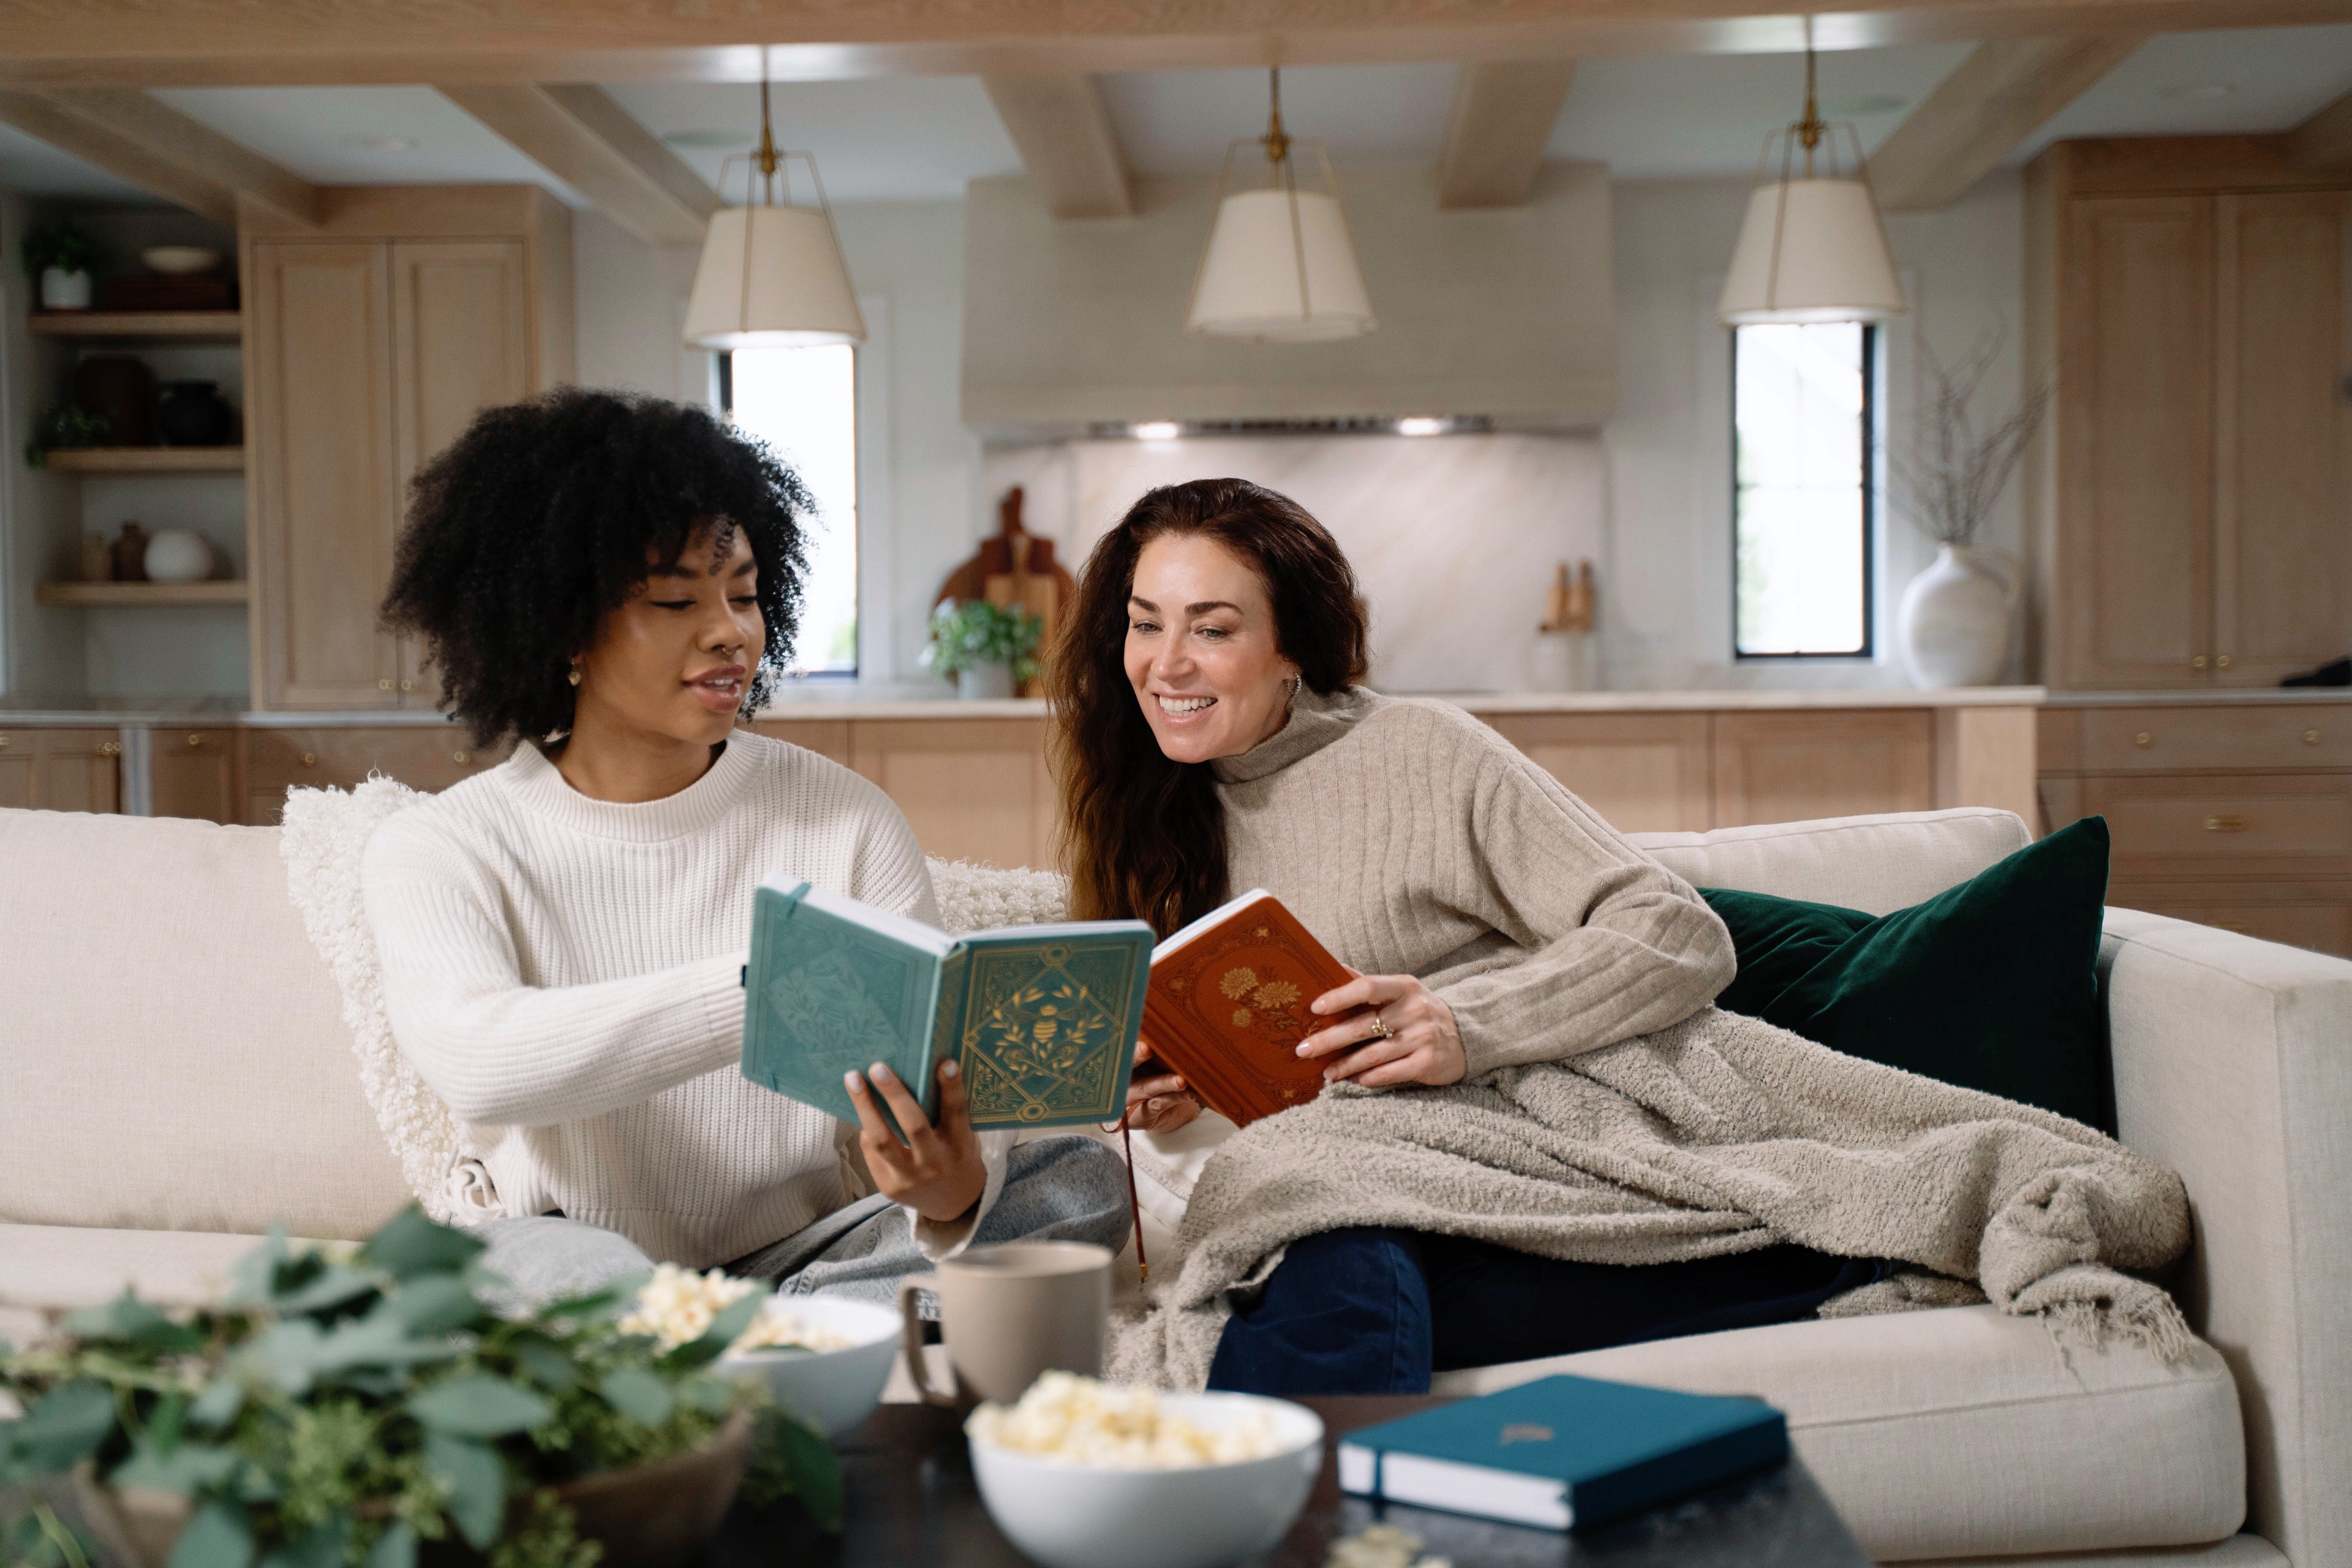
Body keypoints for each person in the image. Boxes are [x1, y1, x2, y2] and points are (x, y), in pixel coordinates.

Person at [1050, 477, 1879, 1393]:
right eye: (1145, 623)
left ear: (1293, 648)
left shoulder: (1425, 754)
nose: (1167, 665)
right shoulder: (1144, 809)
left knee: (1320, 1245)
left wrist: (1460, 1023)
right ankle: (1809, 1266)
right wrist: (1179, 1086)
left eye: (1211, 628)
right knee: (1320, 1256)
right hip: (1357, 1184)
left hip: (1504, 1142)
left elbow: (1677, 931)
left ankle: (1259, 1510)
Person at [363, 388, 1128, 1306]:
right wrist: (775, 981)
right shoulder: (444, 845)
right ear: (563, 627)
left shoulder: (842, 816)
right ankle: (762, 1343)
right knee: (526, 1272)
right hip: (581, 1256)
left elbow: (954, 1144)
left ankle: (714, 1343)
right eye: (677, 598)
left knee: (1078, 1180)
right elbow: (481, 1062)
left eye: (746, 594)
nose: (732, 631)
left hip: (803, 1252)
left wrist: (952, 1190)